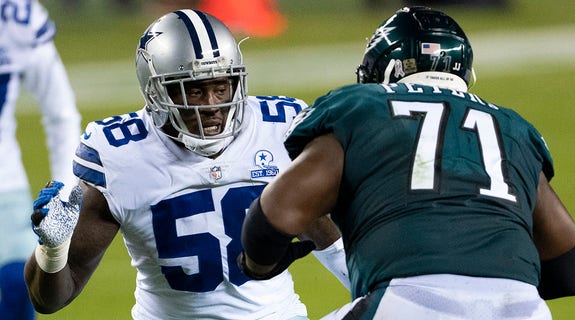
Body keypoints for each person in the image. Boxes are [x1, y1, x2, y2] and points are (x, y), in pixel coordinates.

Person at [238, 6, 575, 319]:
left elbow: (274, 215)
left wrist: (257, 265)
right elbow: (571, 272)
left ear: (384, 69)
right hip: (523, 308)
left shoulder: (362, 108)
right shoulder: (513, 128)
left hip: (408, 301)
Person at [24, 9, 348, 319]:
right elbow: (49, 300)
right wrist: (53, 249)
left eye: (221, 87)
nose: (212, 106)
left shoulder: (280, 129)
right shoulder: (119, 155)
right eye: (193, 91)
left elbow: (332, 241)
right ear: (155, 91)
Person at [0, 0, 81, 319]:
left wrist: (65, 195)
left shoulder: (15, 17)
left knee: (20, 288)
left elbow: (61, 114)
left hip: (3, 180)